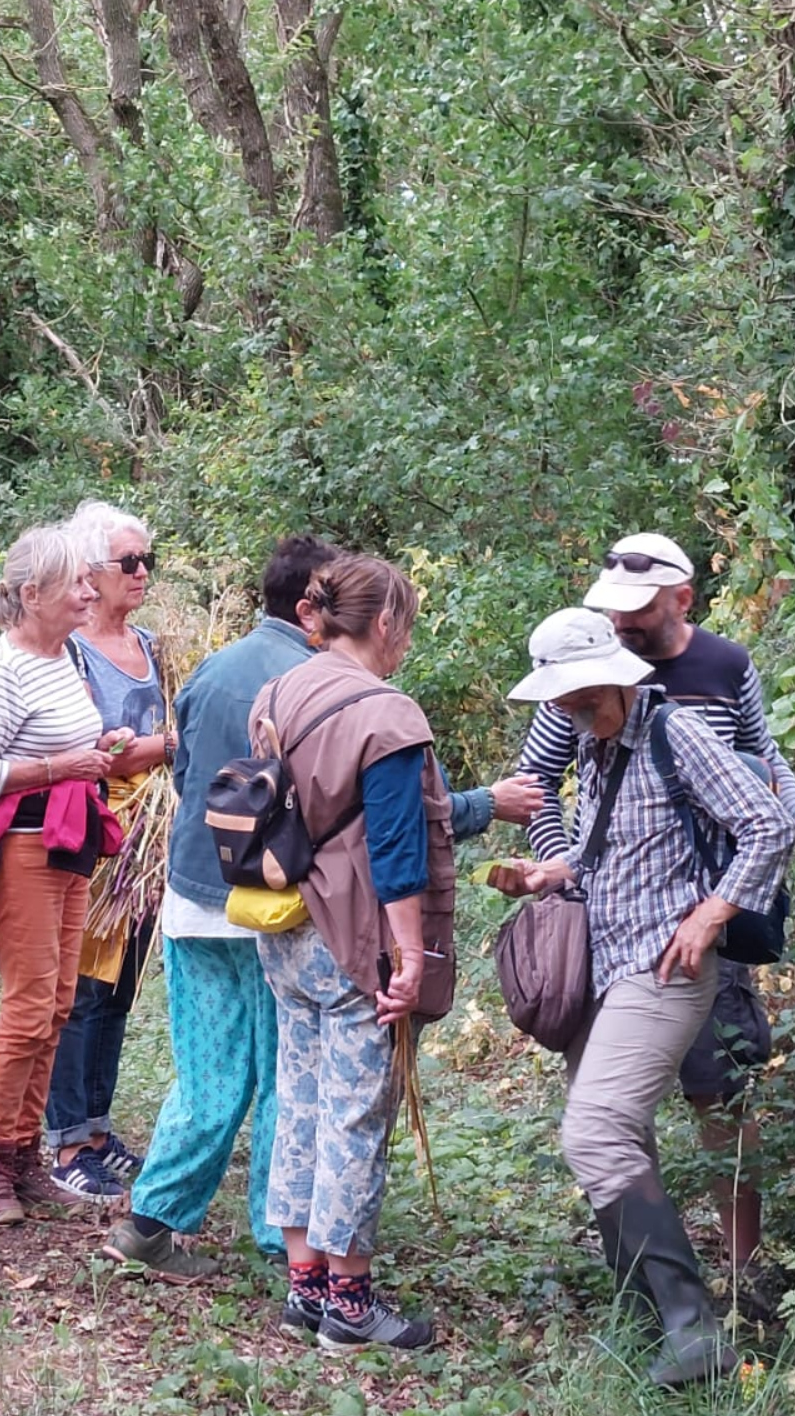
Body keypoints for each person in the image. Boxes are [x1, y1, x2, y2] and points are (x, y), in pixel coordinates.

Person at [102, 538, 543, 1288]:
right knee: (321, 1098)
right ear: (366, 621)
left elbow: (200, 776)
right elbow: (398, 828)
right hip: (313, 918)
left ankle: (211, 1240)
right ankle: (319, 1271)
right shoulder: (361, 700)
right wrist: (417, 938)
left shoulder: (242, 677)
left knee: (246, 1083)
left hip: (212, 897)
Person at [516, 532, 795, 1304]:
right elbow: (538, 783)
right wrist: (563, 867)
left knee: (720, 1085)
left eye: (637, 610)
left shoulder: (720, 669)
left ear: (681, 600)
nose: (623, 622)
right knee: (610, 1105)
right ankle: (657, 1285)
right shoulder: (578, 679)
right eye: (614, 610)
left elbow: (761, 765)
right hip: (610, 921)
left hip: (709, 911)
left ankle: (745, 1271)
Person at [492, 607, 795, 1387]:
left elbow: (767, 824)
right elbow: (615, 857)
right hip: (606, 960)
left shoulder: (677, 732)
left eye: (583, 693)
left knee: (593, 1133)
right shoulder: (597, 748)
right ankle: (644, 1309)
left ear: (615, 676)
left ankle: (694, 1328)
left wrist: (712, 912)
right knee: (615, 1131)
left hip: (664, 969)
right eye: (561, 698)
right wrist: (551, 874)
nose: (571, 709)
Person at [243, 553, 459, 1354]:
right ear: (385, 623)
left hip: (286, 921)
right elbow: (399, 851)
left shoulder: (279, 690)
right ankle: (352, 1304)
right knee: (357, 1114)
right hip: (355, 934)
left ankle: (304, 1285)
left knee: (298, 1097)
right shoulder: (388, 715)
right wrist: (410, 957)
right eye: (407, 621)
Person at [0, 524, 130, 1225]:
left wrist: (95, 748)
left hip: (69, 845)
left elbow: (62, 741)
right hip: (21, 850)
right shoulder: (4, 666)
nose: (90, 592)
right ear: (31, 594)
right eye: (77, 583)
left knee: (57, 1006)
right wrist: (61, 767)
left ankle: (26, 1158)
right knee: (27, 1008)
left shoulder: (63, 656)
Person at [43, 500, 172, 1203]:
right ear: (91, 572)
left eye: (147, 560)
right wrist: (165, 749)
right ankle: (67, 1141)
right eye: (129, 563)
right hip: (98, 834)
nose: (142, 572)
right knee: (85, 989)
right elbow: (90, 749)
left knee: (120, 988)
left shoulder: (150, 645)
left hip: (148, 843)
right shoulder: (70, 653)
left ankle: (97, 1126)